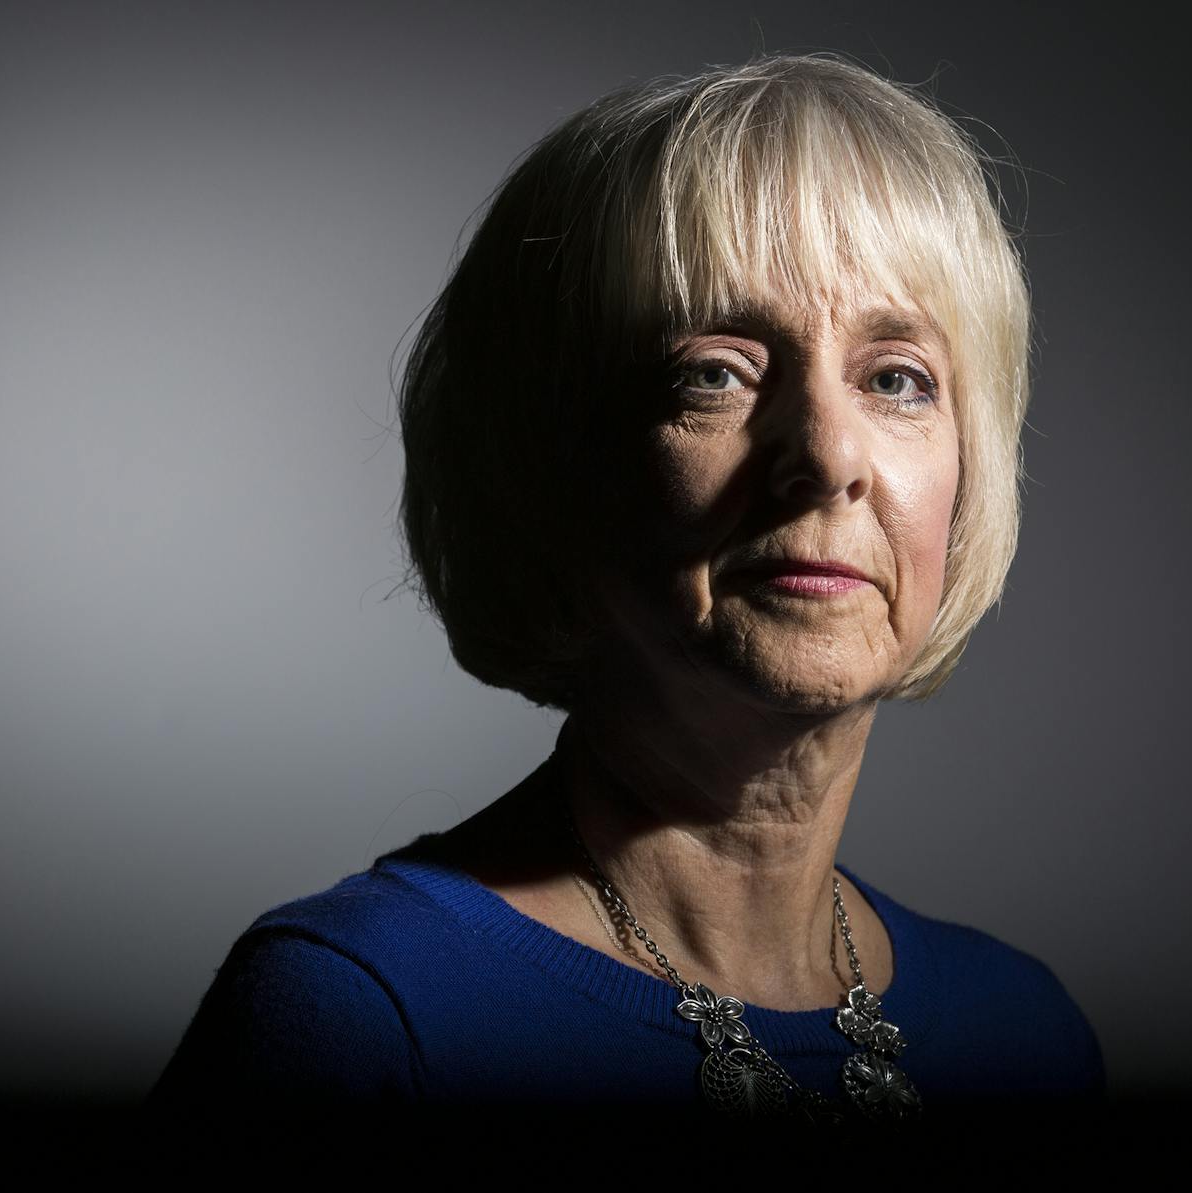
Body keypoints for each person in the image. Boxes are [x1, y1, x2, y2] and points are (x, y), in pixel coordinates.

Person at [145, 51, 1105, 1137]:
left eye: (896, 378)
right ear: (544, 468)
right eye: (715, 370)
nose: (827, 454)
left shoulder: (1027, 1034)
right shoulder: (360, 1017)